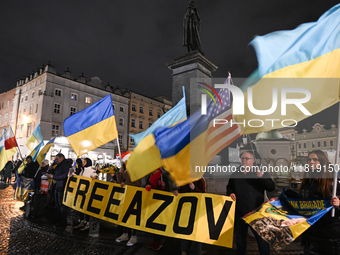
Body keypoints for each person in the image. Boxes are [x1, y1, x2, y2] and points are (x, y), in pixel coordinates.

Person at [226, 151, 275, 255]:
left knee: (261, 239)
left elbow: (271, 187)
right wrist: (231, 193)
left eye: (247, 158)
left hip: (255, 212)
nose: (244, 160)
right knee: (240, 240)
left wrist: (262, 177)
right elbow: (229, 186)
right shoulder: (236, 173)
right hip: (240, 212)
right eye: (242, 158)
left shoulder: (259, 171)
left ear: (253, 160)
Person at [299, 150, 340, 255]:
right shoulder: (307, 181)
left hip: (328, 233)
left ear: (322, 162)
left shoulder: (333, 181)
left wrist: (338, 204)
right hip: (310, 232)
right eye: (309, 160)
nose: (311, 162)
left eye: (315, 160)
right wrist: (281, 198)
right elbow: (300, 200)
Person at [174, 178, 206, 255]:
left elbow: (204, 195)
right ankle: (184, 250)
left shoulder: (200, 180)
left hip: (197, 210)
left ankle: (195, 251)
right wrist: (177, 192)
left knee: (196, 230)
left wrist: (195, 188)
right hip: (186, 209)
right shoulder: (184, 180)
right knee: (184, 229)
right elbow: (181, 192)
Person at [115, 161, 142, 246]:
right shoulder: (126, 172)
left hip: (134, 197)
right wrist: (120, 173)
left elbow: (138, 184)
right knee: (124, 215)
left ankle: (134, 236)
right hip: (125, 196)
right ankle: (125, 234)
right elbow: (119, 182)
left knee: (133, 216)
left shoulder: (138, 172)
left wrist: (126, 183)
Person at [145, 168, 172, 251]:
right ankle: (154, 240)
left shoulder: (163, 177)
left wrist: (162, 186)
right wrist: (147, 186)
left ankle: (159, 241)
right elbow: (145, 185)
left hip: (161, 203)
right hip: (152, 203)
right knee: (153, 222)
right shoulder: (149, 177)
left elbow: (168, 189)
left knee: (159, 222)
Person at [73, 158, 97, 231]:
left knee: (86, 208)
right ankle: (81, 221)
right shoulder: (82, 170)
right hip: (81, 192)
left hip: (87, 192)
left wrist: (94, 178)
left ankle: (87, 223)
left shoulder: (91, 170)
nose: (83, 163)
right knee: (80, 208)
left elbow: (95, 176)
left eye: (84, 161)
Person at [49, 153, 72, 226]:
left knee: (62, 205)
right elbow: (56, 173)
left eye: (57, 159)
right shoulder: (59, 165)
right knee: (58, 204)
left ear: (62, 158)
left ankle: (63, 220)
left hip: (62, 187)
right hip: (57, 186)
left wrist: (54, 177)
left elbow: (65, 175)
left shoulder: (66, 165)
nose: (56, 160)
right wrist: (51, 170)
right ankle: (59, 218)